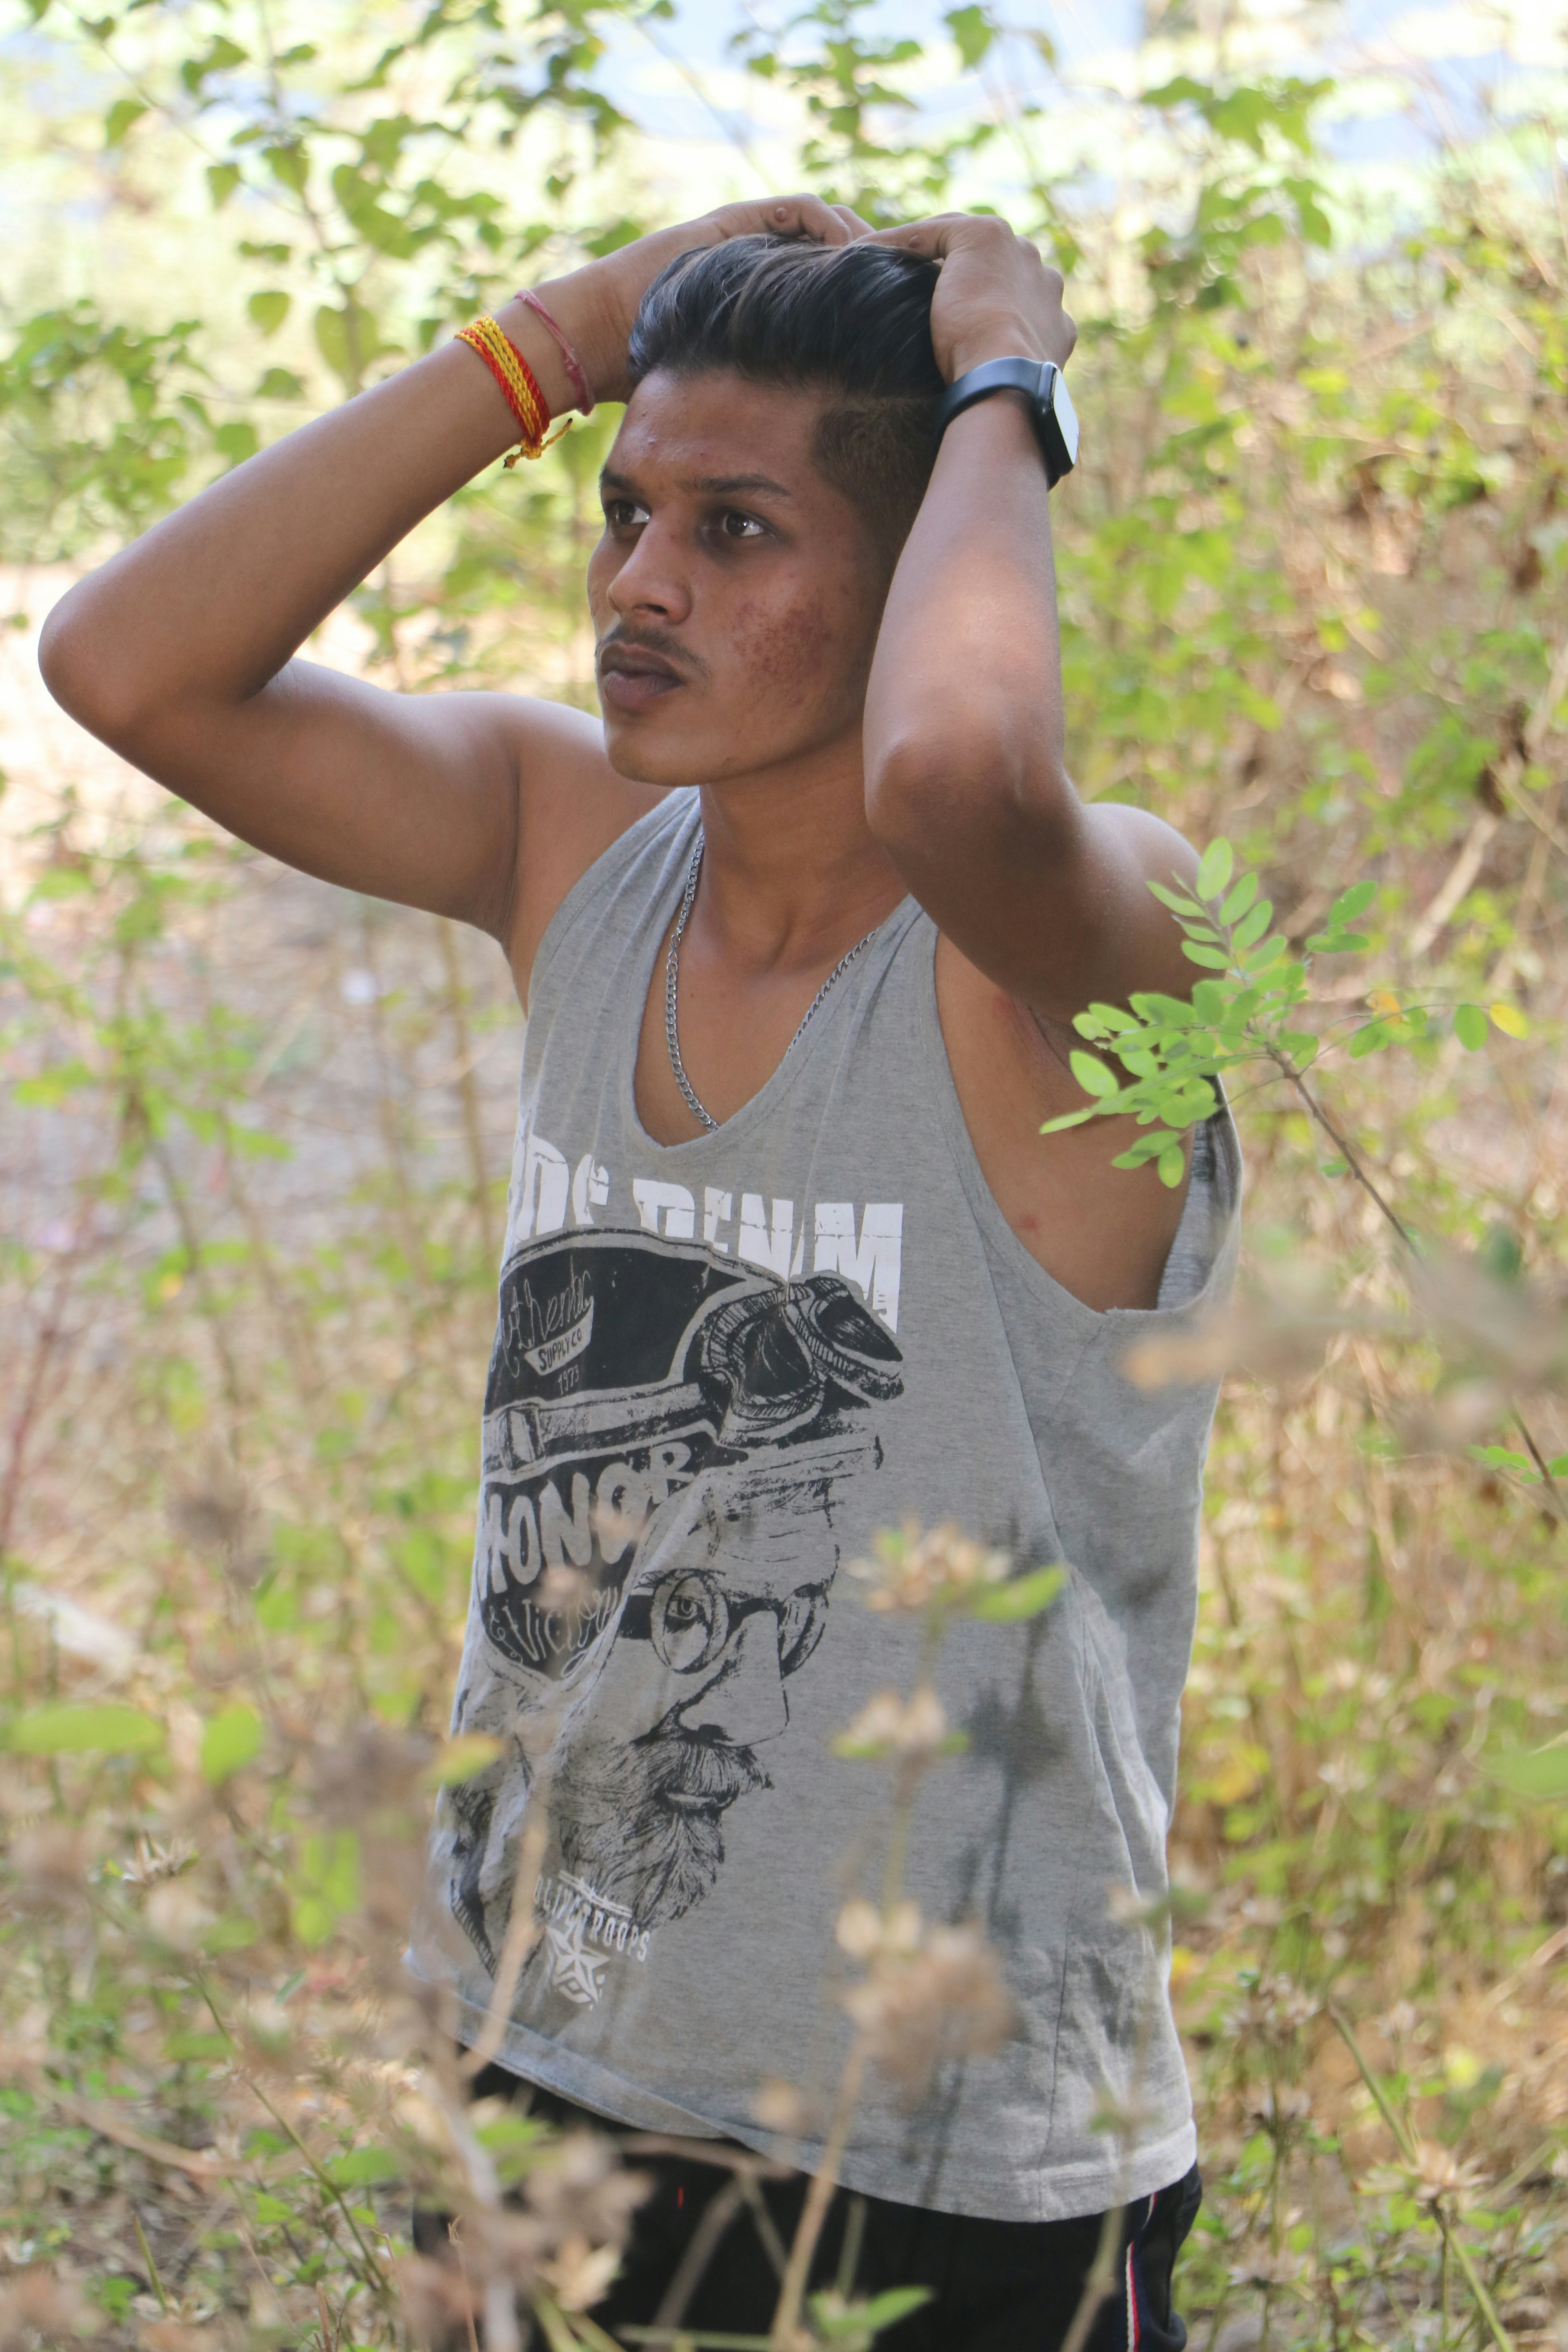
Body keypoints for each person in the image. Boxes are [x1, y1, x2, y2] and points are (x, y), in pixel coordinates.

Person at [40, 195, 1240, 2350]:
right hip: (543, 2054)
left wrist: (1006, 387)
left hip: (942, 2152)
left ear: (924, 566)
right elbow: (127, 666)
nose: (635, 586)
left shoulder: (1073, 946)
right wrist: (565, 334)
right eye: (625, 514)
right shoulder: (570, 841)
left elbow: (959, 770)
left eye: (741, 533)